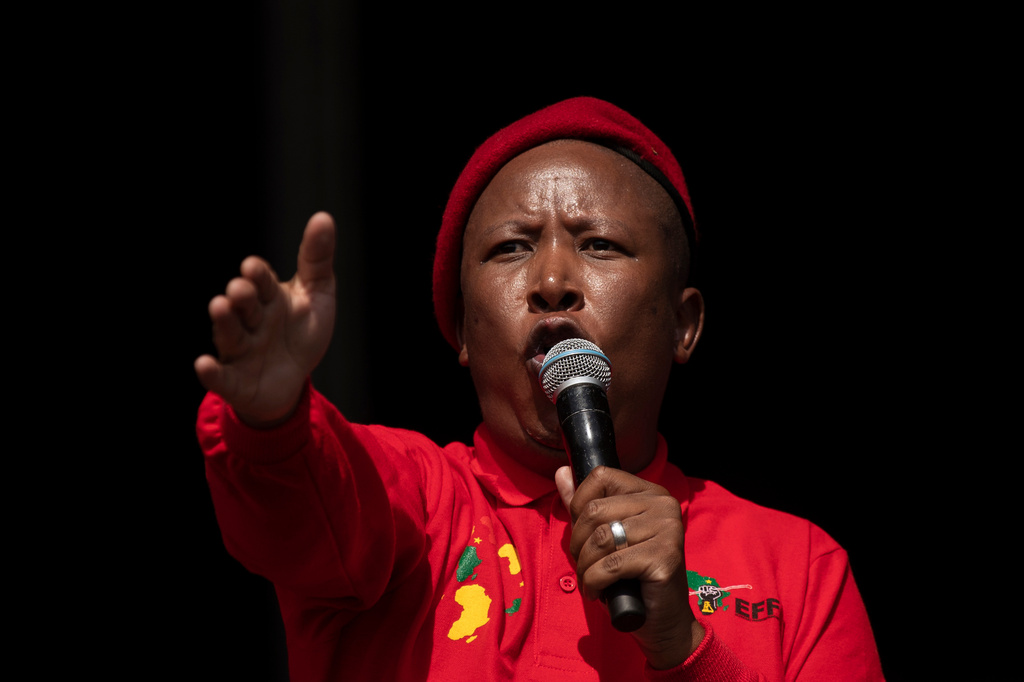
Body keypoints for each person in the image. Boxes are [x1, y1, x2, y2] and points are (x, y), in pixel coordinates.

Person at [195, 97, 883, 680]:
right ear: (461, 328)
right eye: (512, 248)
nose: (552, 280)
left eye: (600, 244)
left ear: (684, 322)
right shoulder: (410, 503)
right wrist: (273, 419)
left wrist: (685, 649)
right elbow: (302, 503)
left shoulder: (800, 568)